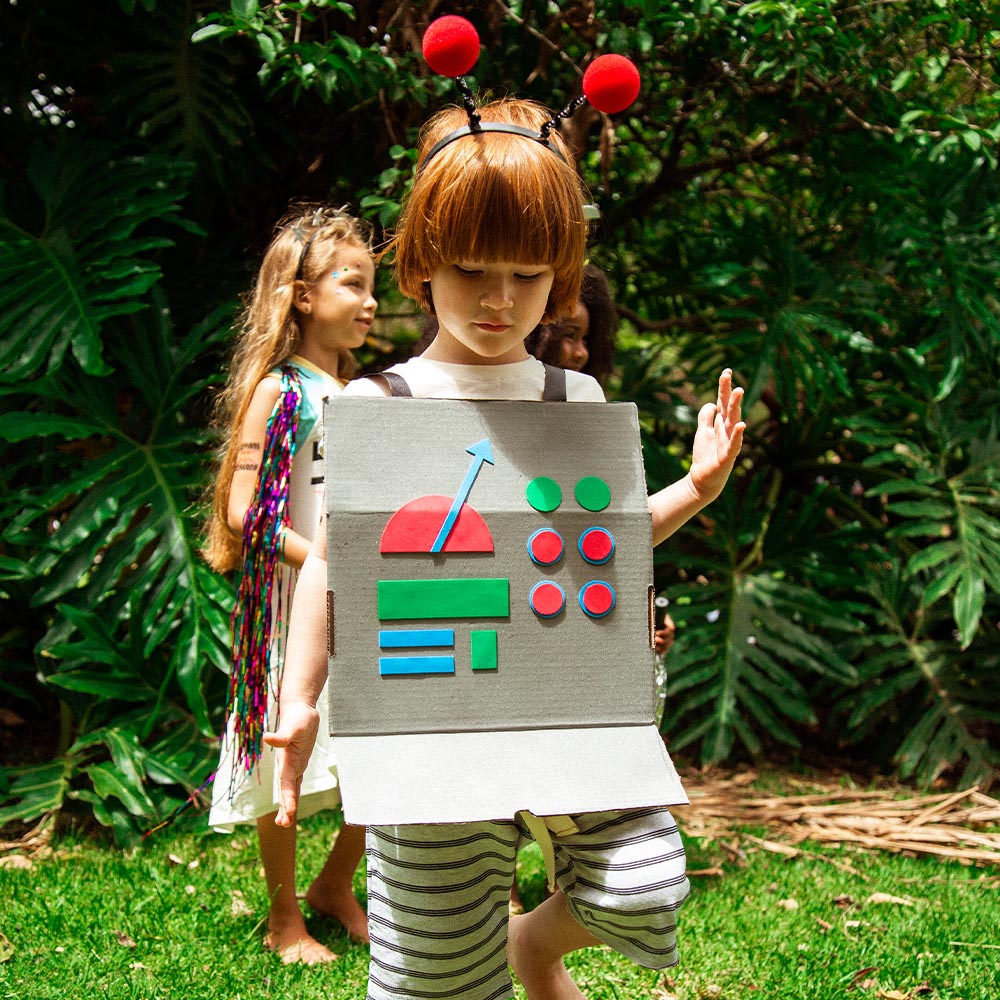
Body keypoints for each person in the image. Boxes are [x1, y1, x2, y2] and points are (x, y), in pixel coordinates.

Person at [266, 97, 744, 999]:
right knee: (439, 977)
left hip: (577, 714)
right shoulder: (374, 408)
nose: (498, 299)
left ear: (559, 276)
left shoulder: (577, 398)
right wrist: (299, 704)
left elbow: (596, 543)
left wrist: (696, 487)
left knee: (643, 881)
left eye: (527, 275)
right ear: (419, 265)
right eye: (473, 268)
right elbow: (332, 567)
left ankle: (533, 945)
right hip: (425, 726)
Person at [203, 204, 375, 963]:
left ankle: (335, 885)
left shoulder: (361, 394)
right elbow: (245, 512)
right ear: (302, 295)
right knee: (286, 765)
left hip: (362, 604)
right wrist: (323, 563)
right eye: (353, 283)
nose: (371, 302)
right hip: (289, 611)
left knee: (382, 748)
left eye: (373, 286)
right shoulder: (279, 392)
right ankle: (282, 920)